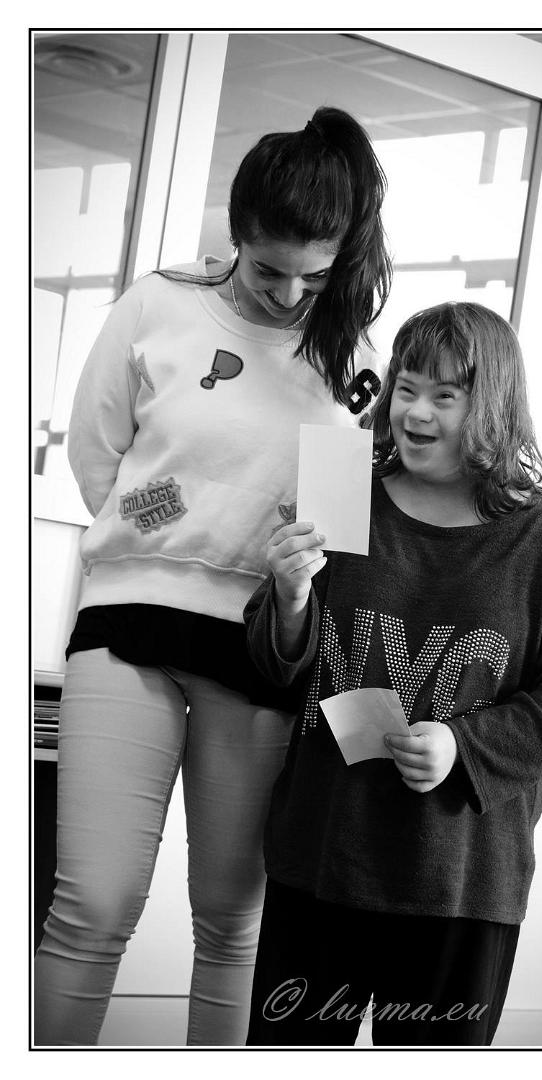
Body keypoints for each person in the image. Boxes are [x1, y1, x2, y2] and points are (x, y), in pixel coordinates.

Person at [34, 106, 393, 1047]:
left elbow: (334, 535)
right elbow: (100, 460)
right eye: (268, 269)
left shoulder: (356, 361)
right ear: (237, 233)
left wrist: (280, 577)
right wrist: (167, 524)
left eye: (315, 276)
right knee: (92, 903)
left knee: (234, 921)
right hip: (129, 624)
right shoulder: (159, 305)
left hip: (260, 652)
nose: (289, 294)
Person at [242, 301, 542, 1047]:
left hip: (462, 883)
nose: (414, 412)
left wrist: (463, 746)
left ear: (493, 407)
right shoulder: (343, 497)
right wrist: (287, 597)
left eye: (445, 396)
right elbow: (276, 668)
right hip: (321, 859)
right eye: (406, 388)